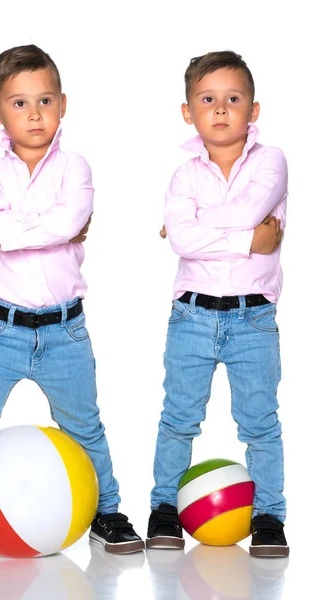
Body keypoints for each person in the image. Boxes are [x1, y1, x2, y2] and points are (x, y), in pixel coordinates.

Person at [0, 44, 144, 570]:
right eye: (18, 103)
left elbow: (56, 222)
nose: (34, 113)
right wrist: (38, 228)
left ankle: (108, 514)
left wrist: (12, 228)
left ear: (63, 103)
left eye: (44, 100)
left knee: (85, 428)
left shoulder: (76, 167)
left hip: (65, 332)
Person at [146, 51, 289, 558]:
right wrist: (249, 241)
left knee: (260, 421)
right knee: (179, 417)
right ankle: (164, 508)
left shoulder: (271, 161)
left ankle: (270, 515)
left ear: (254, 110)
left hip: (254, 318)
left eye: (234, 99)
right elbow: (182, 242)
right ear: (189, 112)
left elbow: (249, 209)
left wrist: (202, 224)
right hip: (192, 316)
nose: (222, 109)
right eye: (208, 100)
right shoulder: (185, 176)